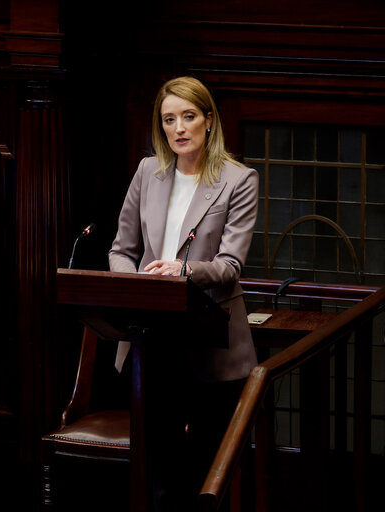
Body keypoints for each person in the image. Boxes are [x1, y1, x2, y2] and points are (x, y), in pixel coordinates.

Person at [108, 76, 258, 509]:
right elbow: (122, 250)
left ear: (208, 120)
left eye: (189, 117)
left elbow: (230, 266)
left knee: (205, 473)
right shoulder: (147, 172)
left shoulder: (238, 179)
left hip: (211, 339)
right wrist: (135, 286)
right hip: (153, 338)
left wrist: (183, 270)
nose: (179, 128)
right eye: (169, 119)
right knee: (161, 472)